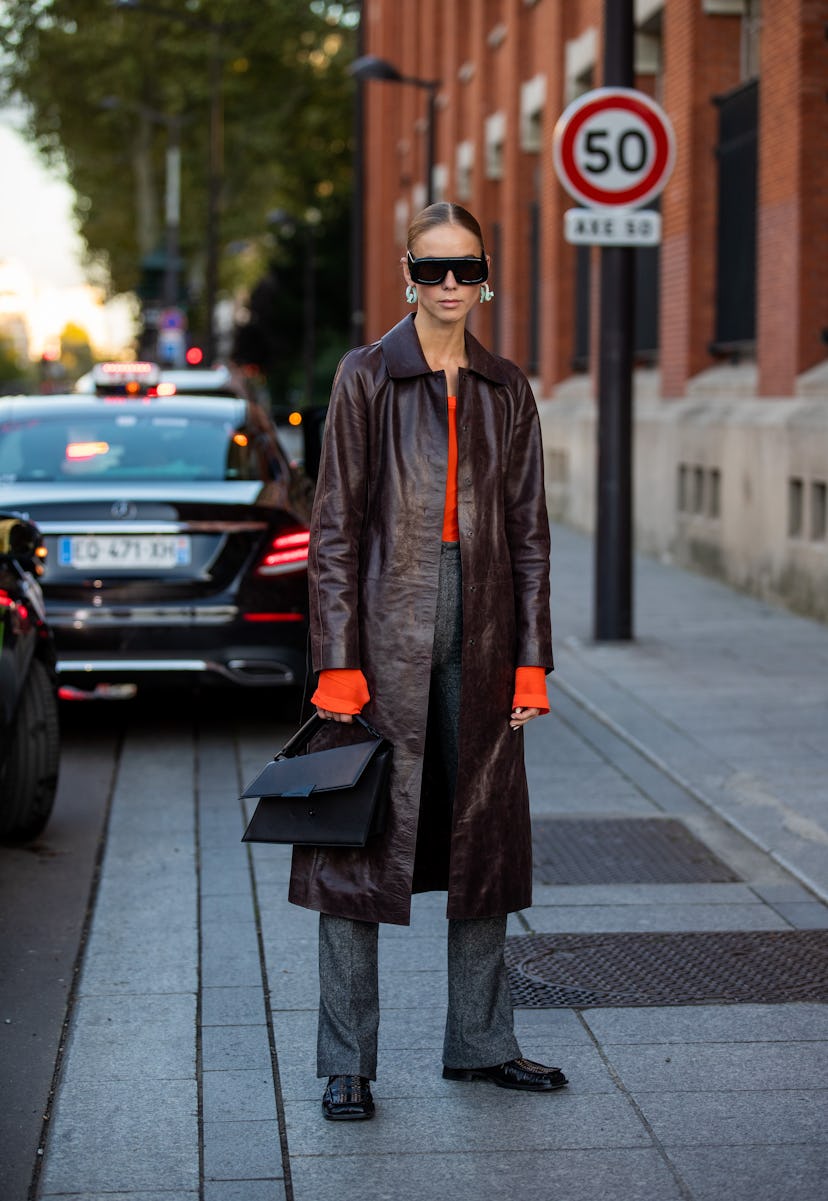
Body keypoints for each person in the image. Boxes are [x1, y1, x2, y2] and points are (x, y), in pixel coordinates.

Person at [288, 202, 568, 1121]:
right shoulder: (368, 375)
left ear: (487, 277)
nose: (452, 285)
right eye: (435, 268)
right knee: (354, 843)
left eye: (468, 269)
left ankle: (483, 1046)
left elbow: (529, 533)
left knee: (485, 837)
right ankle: (348, 1062)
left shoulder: (506, 386)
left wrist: (532, 660)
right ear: (407, 273)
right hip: (381, 627)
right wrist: (337, 657)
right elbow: (334, 529)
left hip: (484, 629)